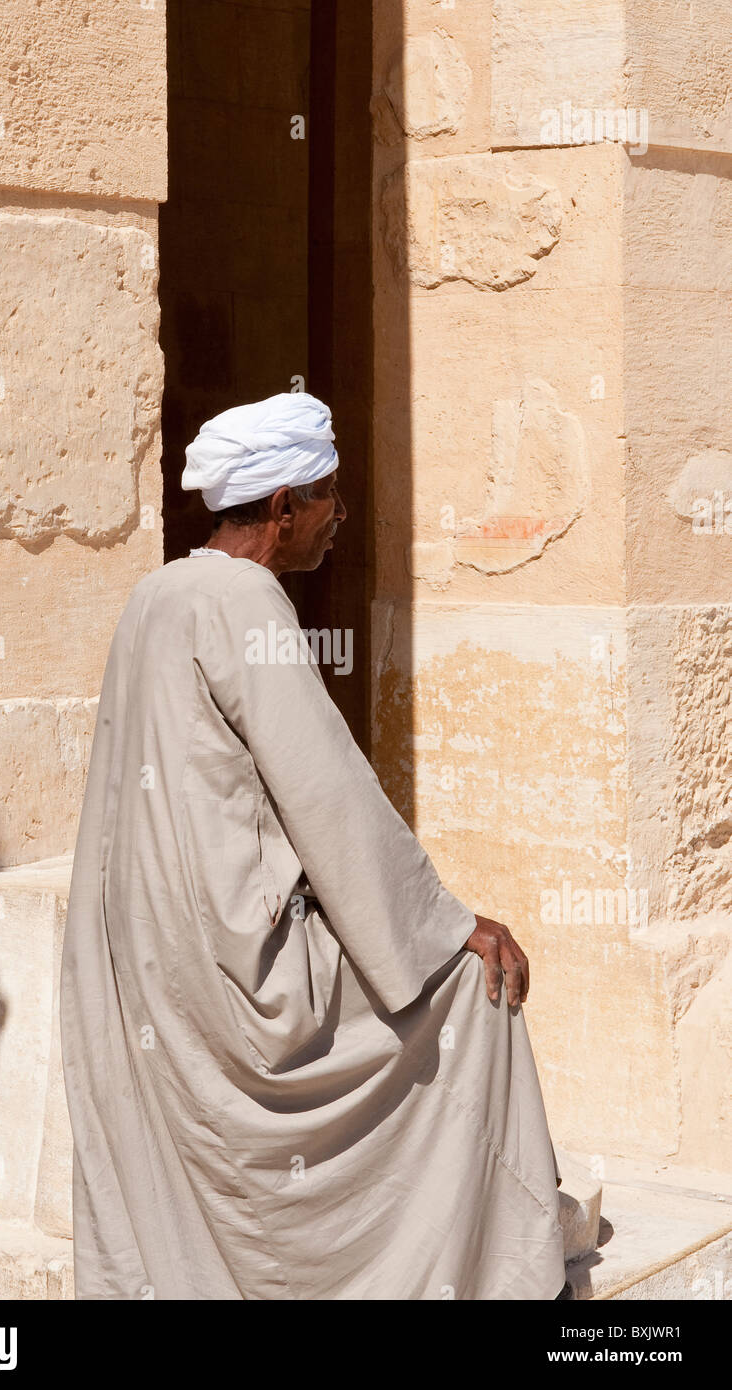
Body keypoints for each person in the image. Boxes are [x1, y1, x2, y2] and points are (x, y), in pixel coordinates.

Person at [59, 391, 567, 1300]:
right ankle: (506, 1253)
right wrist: (447, 924)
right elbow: (326, 791)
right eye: (330, 495)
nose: (342, 516)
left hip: (150, 960)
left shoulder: (155, 592)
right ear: (285, 506)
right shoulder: (247, 599)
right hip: (232, 973)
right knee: (473, 992)